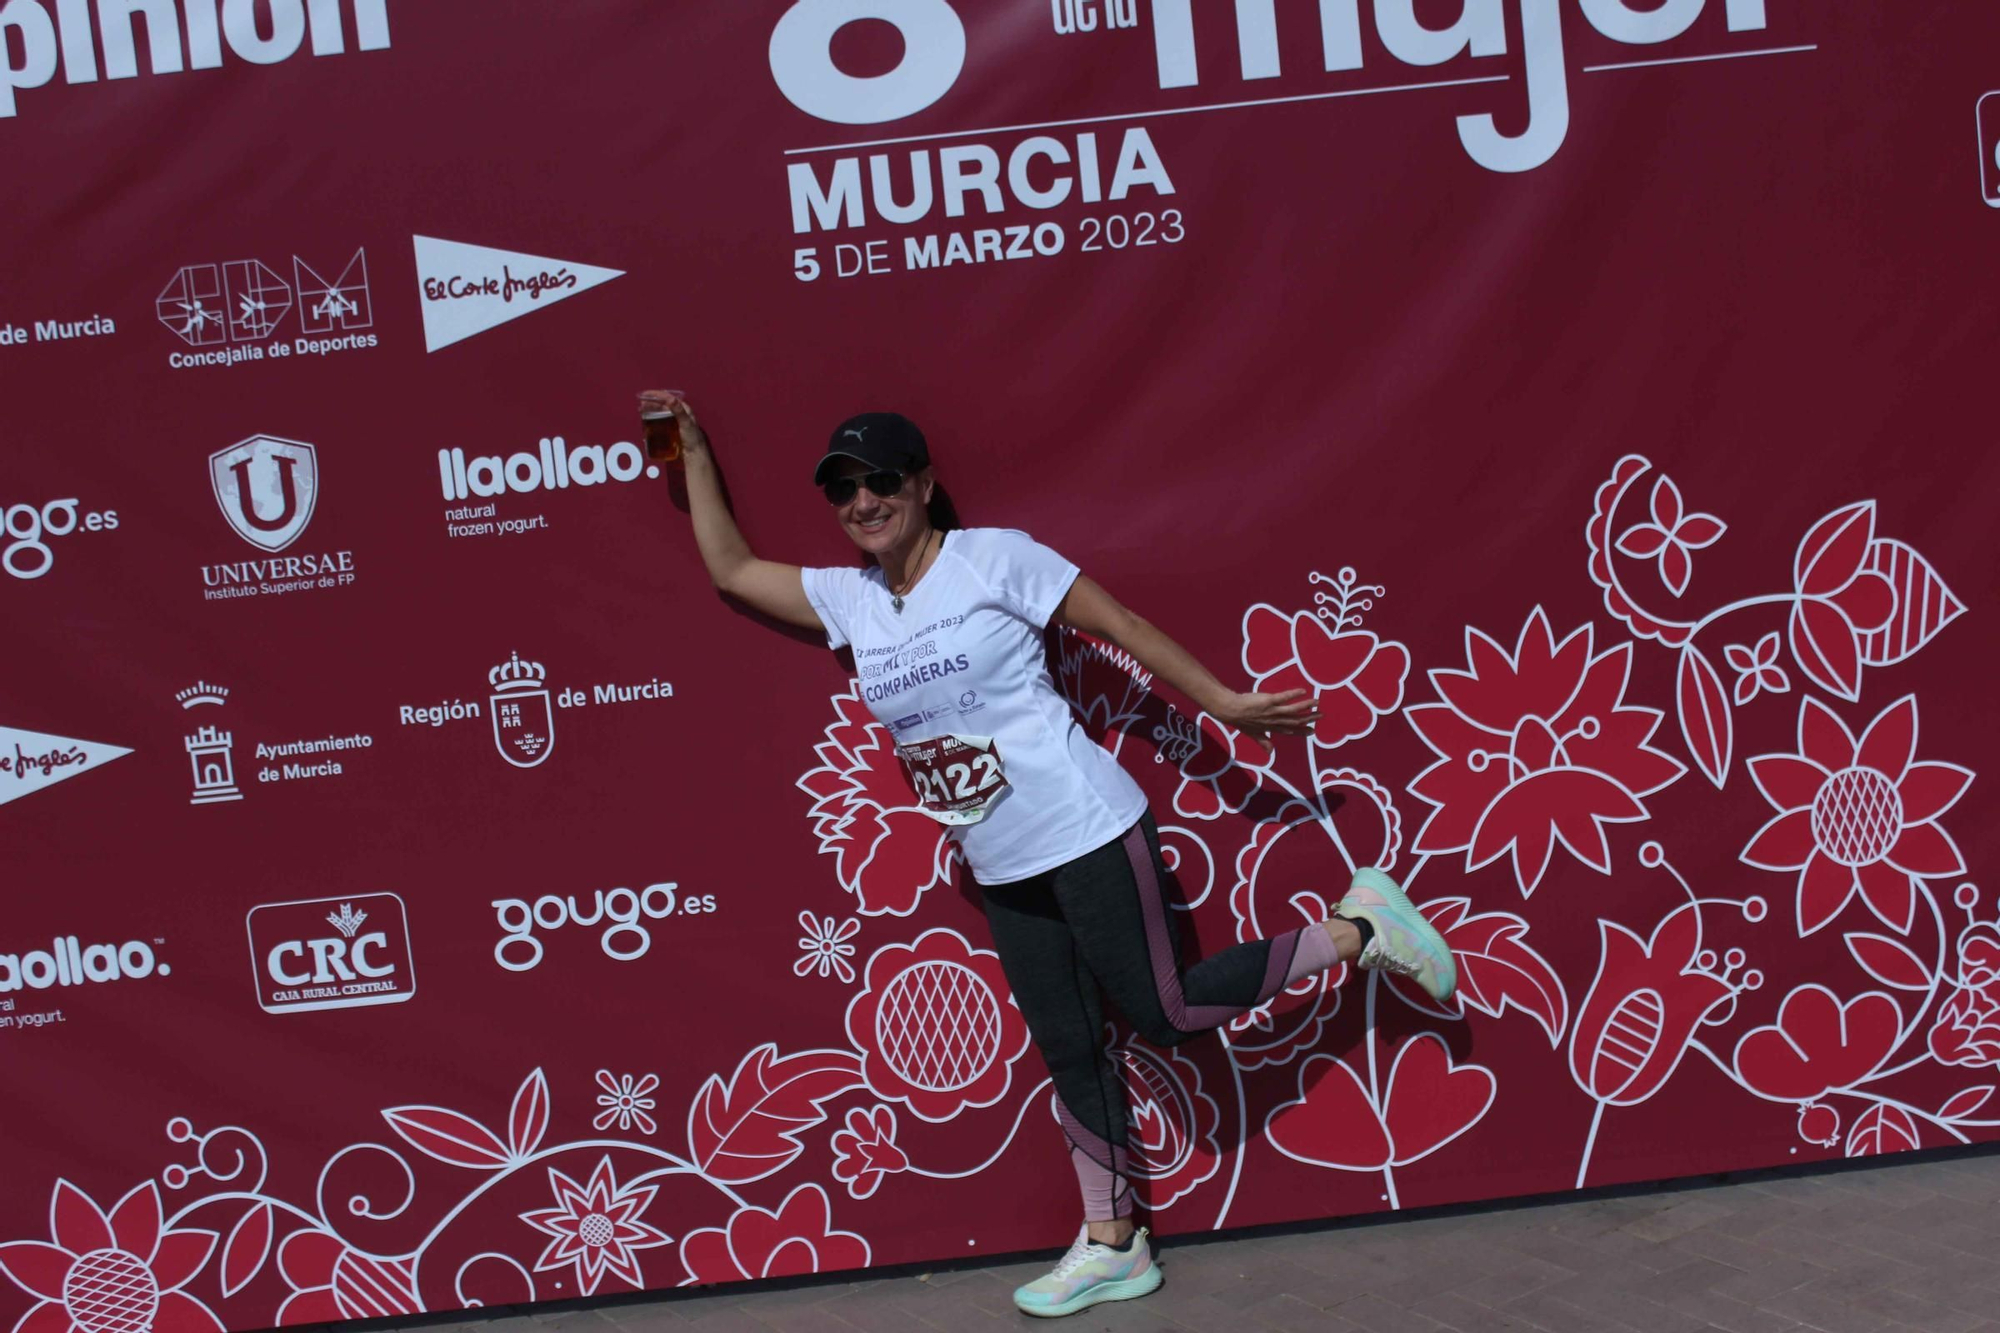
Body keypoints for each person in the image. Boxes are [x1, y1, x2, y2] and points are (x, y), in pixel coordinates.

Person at [640, 392, 1456, 1320]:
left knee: (1169, 1009)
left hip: (1086, 828)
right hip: (1002, 865)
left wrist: (1224, 704)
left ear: (923, 484)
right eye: (842, 490)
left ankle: (1360, 927)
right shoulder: (850, 599)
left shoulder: (994, 558)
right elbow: (733, 568)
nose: (862, 502)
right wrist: (692, 449)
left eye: (880, 482)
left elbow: (1123, 629)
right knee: (1070, 1046)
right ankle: (1114, 1245)